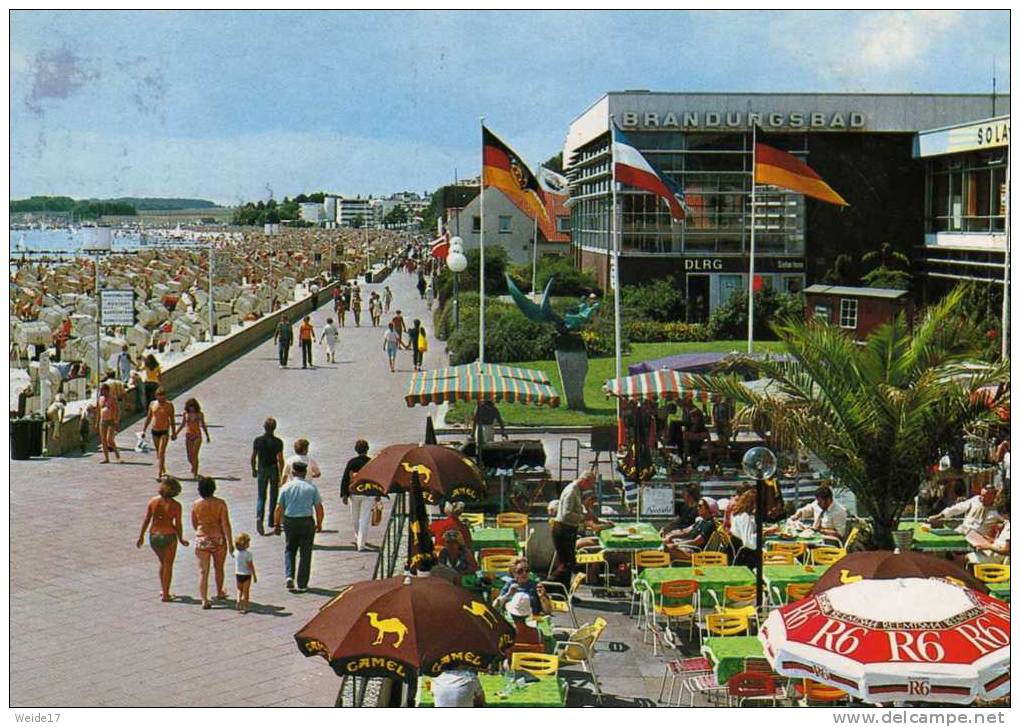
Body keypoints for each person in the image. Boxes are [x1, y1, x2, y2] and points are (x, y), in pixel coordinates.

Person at [274, 460, 324, 592]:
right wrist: (319, 523)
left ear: (293, 472)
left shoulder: (285, 487)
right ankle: (302, 583)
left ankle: (289, 576)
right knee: (305, 553)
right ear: (305, 473)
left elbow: (279, 508)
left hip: (290, 521)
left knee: (290, 549)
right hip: (306, 521)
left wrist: (276, 524)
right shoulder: (311, 488)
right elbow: (319, 507)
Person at [136, 477, 188, 602]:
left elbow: (147, 520)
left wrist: (141, 536)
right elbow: (178, 524)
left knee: (162, 563)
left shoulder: (153, 501)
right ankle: (166, 593)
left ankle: (163, 589)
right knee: (168, 565)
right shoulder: (176, 505)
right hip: (169, 535)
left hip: (154, 536)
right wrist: (181, 538)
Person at [191, 476, 234, 609]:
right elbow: (225, 524)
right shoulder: (221, 503)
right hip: (218, 537)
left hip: (202, 537)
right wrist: (230, 543)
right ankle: (219, 591)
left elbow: (194, 523)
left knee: (203, 571)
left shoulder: (196, 504)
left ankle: (204, 599)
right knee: (219, 567)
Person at [551, 471, 597, 586]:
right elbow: (567, 514)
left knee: (568, 563)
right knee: (565, 564)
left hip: (568, 529)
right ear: (584, 481)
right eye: (591, 484)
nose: (591, 487)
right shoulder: (572, 491)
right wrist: (583, 517)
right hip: (564, 529)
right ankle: (548, 584)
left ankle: (563, 589)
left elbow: (576, 509)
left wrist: (589, 515)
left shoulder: (577, 490)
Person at [341, 439, 378, 551]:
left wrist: (344, 494)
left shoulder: (352, 462)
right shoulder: (371, 462)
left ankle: (358, 536)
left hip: (354, 492)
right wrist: (378, 493)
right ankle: (361, 543)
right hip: (368, 492)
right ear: (367, 449)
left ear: (356, 450)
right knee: (365, 517)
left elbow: (346, 478)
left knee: (355, 516)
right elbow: (376, 478)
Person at [251, 417, 285, 536]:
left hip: (262, 468)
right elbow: (280, 459)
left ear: (264, 427)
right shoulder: (278, 442)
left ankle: (259, 517)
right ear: (274, 428)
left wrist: (253, 469)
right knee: (274, 495)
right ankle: (271, 519)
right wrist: (282, 473)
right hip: (273, 469)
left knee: (261, 496)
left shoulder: (258, 440)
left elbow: (253, 456)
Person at [929, 485, 1001, 540]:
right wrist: (939, 516)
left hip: (978, 538)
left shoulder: (998, 511)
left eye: (985, 497)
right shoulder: (976, 500)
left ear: (993, 497)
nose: (981, 498)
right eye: (981, 495)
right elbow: (958, 508)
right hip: (962, 531)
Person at [142, 388, 176, 481]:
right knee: (158, 452)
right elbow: (149, 417)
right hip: (154, 430)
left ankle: (159, 473)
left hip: (164, 431)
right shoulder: (153, 404)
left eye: (163, 396)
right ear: (156, 396)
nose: (161, 398)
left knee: (161, 452)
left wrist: (174, 432)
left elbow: (172, 419)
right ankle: (163, 468)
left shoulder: (169, 405)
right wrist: (144, 430)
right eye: (159, 396)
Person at [966, 496, 1010, 565]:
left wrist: (988, 546)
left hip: (996, 556)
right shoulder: (1007, 523)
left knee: (964, 558)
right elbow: (1003, 542)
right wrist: (990, 540)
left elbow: (1007, 551)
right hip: (993, 552)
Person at [727, 489, 759, 567]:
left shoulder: (737, 514)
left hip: (737, 555)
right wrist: (761, 534)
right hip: (743, 559)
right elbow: (749, 543)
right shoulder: (745, 517)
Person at [180, 398, 210, 478]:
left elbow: (203, 425)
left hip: (197, 435)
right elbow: (183, 424)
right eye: (190, 406)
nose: (191, 408)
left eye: (193, 406)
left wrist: (207, 435)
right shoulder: (185, 414)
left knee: (195, 454)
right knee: (189, 456)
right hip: (189, 435)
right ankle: (193, 466)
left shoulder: (199, 414)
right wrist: (176, 433)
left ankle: (195, 473)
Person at [95, 383, 121, 464]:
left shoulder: (112, 398)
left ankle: (116, 453)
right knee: (103, 440)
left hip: (111, 420)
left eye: (103, 390)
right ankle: (106, 458)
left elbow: (117, 410)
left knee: (109, 439)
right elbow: (99, 411)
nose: (102, 392)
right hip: (103, 421)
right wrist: (97, 421)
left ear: (107, 390)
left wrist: (116, 421)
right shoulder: (100, 399)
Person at [233, 533, 257, 614]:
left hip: (238, 574)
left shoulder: (236, 553)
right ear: (245, 544)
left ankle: (238, 600)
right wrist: (254, 575)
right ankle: (245, 606)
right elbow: (250, 565)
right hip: (246, 574)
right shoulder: (248, 554)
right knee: (246, 591)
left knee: (239, 589)